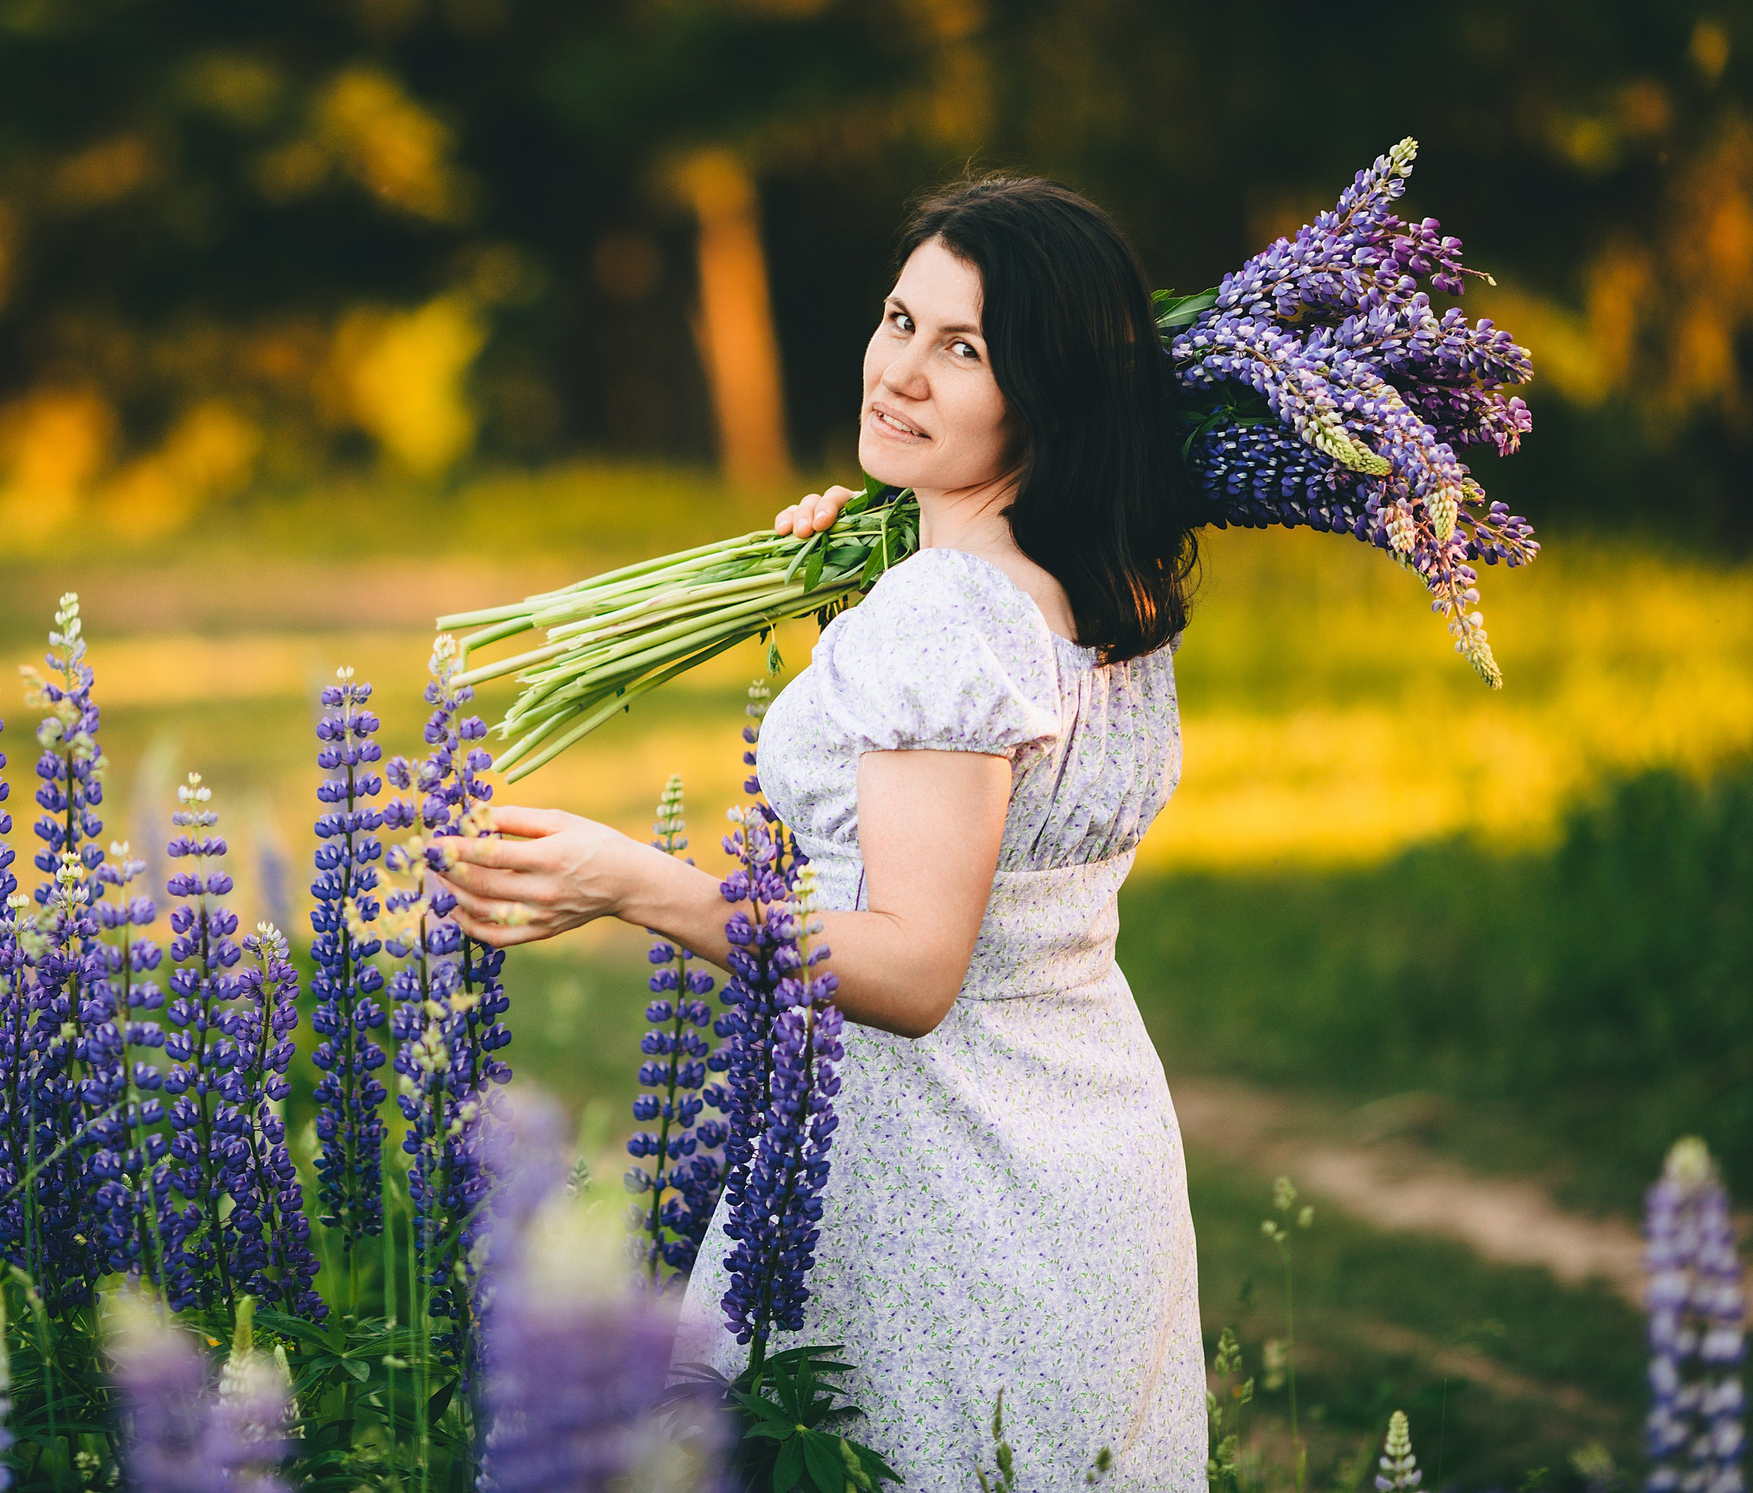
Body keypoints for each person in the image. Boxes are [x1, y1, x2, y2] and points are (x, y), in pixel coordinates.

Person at [437, 175, 1209, 1488]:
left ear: (1048, 391)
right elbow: (952, 808)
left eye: (964, 349)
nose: (900, 373)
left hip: (941, 1172)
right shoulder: (1110, 589)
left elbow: (911, 970)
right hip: (1090, 1156)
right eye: (899, 320)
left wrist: (635, 881)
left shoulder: (948, 615)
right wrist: (863, 580)